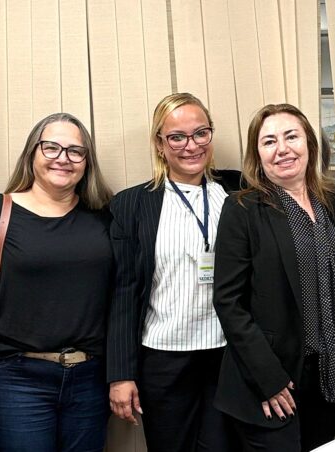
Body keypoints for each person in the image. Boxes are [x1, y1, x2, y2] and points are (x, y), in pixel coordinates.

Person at [0, 113, 115, 451]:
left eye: (75, 151)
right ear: (32, 153)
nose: (63, 158)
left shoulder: (104, 217)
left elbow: (121, 298)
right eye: (51, 147)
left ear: (87, 162)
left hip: (91, 380)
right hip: (17, 381)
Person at [212, 104, 335, 451]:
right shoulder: (242, 208)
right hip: (271, 381)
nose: (283, 149)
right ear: (257, 155)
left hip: (327, 376)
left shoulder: (333, 201)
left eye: (291, 137)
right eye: (269, 141)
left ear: (310, 144)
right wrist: (268, 379)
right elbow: (228, 303)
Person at [107, 93, 240, 451]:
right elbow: (123, 293)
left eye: (200, 133)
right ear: (159, 144)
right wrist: (121, 375)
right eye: (177, 137)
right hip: (163, 357)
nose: (191, 146)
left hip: (227, 355)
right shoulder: (132, 204)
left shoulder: (238, 191)